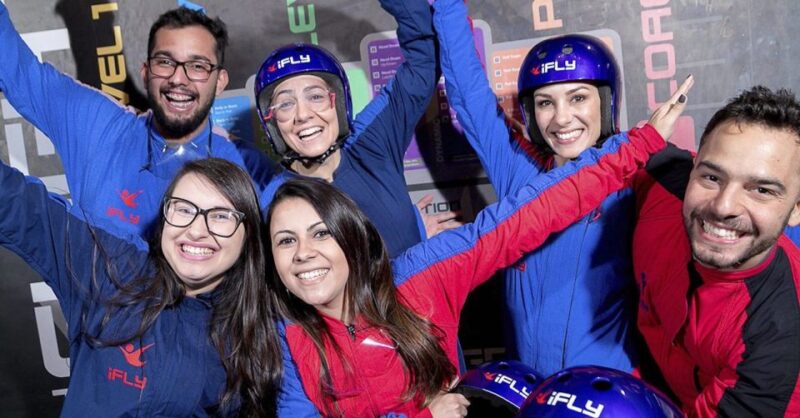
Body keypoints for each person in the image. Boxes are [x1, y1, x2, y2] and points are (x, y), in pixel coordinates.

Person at [264, 84, 687, 416]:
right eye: (286, 240)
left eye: (320, 234)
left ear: (351, 237)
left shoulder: (419, 279)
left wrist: (632, 148)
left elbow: (528, 215)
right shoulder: (291, 332)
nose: (303, 253)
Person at [431, 0, 694, 376]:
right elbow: (467, 90)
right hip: (531, 396)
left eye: (578, 98)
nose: (561, 118)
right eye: (545, 103)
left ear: (605, 102)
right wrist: (447, 5)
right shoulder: (518, 174)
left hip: (611, 399)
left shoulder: (638, 179)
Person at [0, 157, 289, 416]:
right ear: (163, 219)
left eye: (221, 216)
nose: (197, 230)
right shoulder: (113, 268)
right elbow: (17, 201)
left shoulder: (255, 334)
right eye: (183, 209)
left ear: (248, 235)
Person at [0, 3, 274, 243]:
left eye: (198, 66)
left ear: (220, 82)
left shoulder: (249, 169)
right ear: (146, 73)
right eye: (165, 62)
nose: (179, 79)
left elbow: (307, 219)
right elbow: (20, 72)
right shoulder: (98, 128)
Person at [633, 86, 800, 417]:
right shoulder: (662, 183)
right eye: (712, 176)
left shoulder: (782, 343)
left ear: (797, 209)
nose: (723, 206)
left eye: (762, 190)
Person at [253, 0, 459, 258]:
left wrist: (410, 235)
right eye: (285, 104)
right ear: (272, 123)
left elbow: (423, 62)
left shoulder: (372, 139)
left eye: (316, 96)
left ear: (337, 103)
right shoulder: (274, 202)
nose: (303, 114)